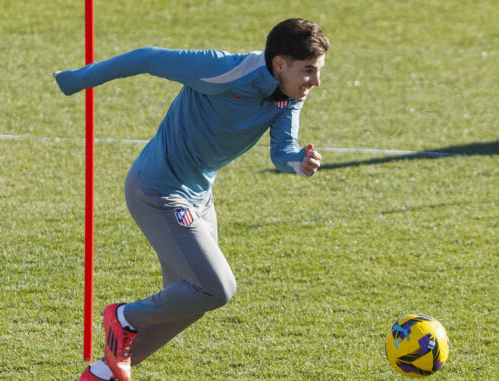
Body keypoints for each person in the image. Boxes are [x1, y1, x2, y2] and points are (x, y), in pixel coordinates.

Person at [54, 18, 329, 381]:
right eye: (309, 70)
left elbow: (282, 151)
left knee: (190, 300)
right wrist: (77, 80)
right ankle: (124, 317)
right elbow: (148, 58)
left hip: (199, 198)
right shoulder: (225, 69)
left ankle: (101, 375)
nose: (316, 82)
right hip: (158, 190)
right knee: (217, 287)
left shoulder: (288, 97)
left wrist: (298, 162)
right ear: (280, 64)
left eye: (319, 70)